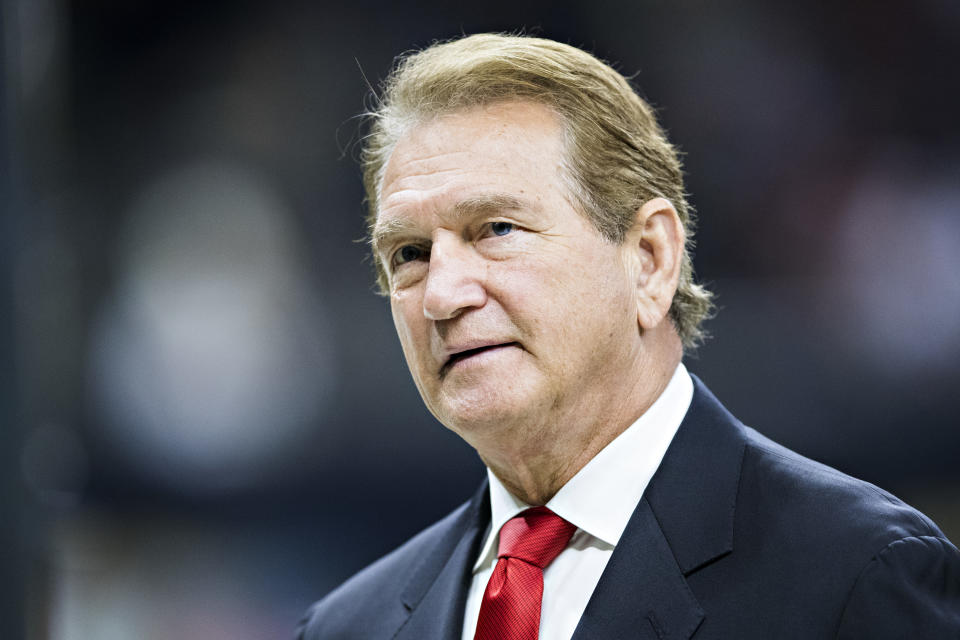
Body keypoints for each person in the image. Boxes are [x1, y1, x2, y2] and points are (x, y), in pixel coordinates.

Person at [297, 33, 959, 639]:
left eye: (496, 230)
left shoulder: (858, 576)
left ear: (649, 259)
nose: (441, 295)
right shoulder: (347, 627)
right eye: (410, 253)